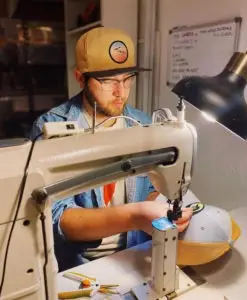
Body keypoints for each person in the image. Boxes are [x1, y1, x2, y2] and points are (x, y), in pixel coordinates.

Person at [30, 27, 192, 272]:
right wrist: (136, 215)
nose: (121, 92)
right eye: (108, 81)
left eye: (127, 79)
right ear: (80, 77)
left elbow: (151, 189)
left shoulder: (141, 123)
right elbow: (57, 219)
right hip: (80, 265)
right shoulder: (50, 129)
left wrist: (163, 208)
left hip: (135, 252)